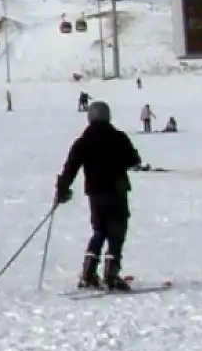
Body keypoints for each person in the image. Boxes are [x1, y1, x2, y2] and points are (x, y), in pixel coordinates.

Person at [55, 101, 143, 291]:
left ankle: (88, 273)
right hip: (116, 191)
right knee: (116, 232)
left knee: (99, 230)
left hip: (95, 193)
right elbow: (134, 159)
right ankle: (111, 275)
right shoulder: (118, 137)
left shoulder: (83, 140)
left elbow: (71, 166)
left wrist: (62, 189)